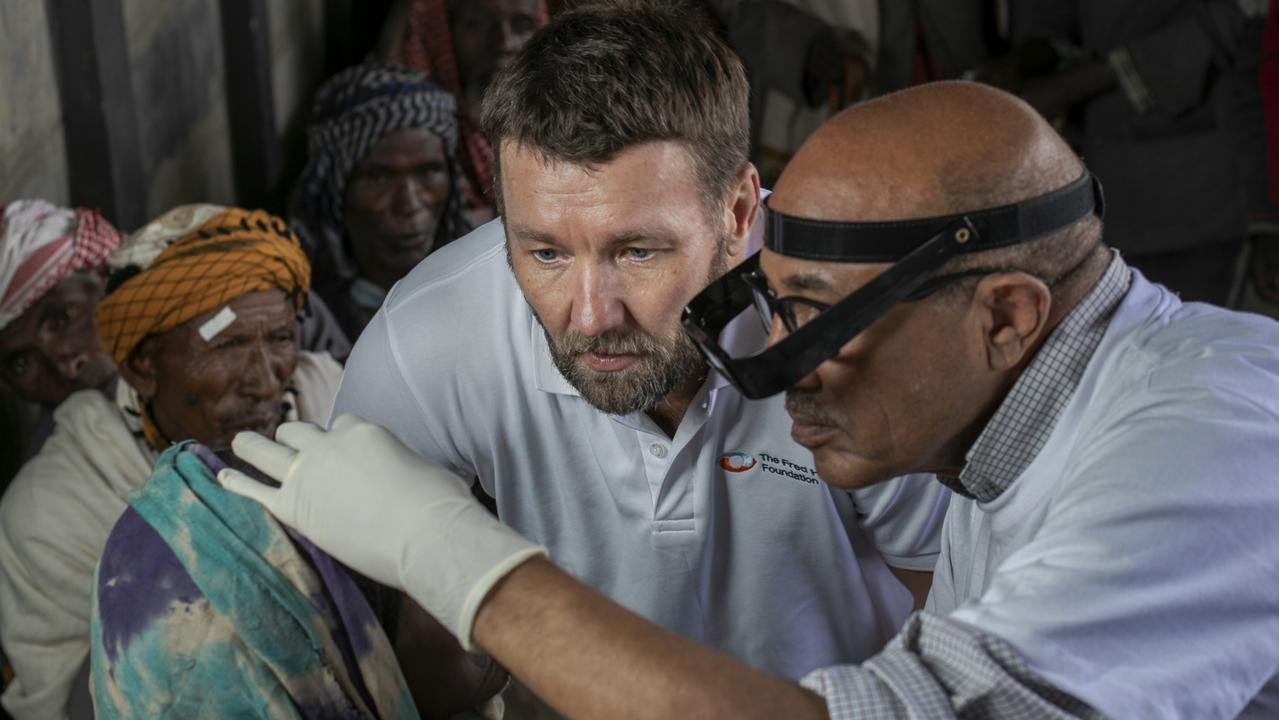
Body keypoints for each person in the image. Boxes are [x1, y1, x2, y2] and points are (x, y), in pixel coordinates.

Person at [226, 81, 1279, 718]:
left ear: (1005, 317)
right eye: (769, 308)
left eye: (814, 317)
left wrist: (460, 561)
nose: (776, 369)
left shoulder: (1201, 452)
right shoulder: (1002, 445)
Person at [291, 1, 948, 688]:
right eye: (544, 252)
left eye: (637, 251)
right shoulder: (431, 335)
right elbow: (383, 661)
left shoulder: (855, 324)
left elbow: (950, 615)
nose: (590, 316)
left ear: (738, 213)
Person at [0, 205, 344, 720]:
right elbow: (66, 702)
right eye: (227, 346)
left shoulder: (332, 394)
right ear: (142, 365)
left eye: (279, 339)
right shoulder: (53, 506)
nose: (265, 380)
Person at [969, 1, 1270, 305]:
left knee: (1185, 336)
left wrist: (1071, 85)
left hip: (1189, 188)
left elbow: (1235, 21)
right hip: (1080, 193)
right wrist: (1031, 56)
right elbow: (1051, 20)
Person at [293, 64, 472, 343]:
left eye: (428, 172)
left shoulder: (492, 281)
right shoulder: (300, 317)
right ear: (337, 190)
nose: (409, 204)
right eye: (379, 178)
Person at [378, 0, 547, 223]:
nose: (504, 43)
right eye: (476, 25)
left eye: (523, 24)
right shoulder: (404, 130)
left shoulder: (564, 127)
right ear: (442, 32)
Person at [0, 200, 125, 462]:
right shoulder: (49, 490)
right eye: (21, 364)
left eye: (63, 319)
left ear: (104, 279)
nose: (68, 368)